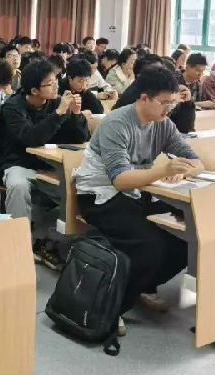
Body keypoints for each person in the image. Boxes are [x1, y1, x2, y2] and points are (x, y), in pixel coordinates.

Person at [74, 68, 203, 322]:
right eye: (164, 103)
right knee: (149, 245)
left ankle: (142, 285)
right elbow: (120, 180)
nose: (169, 110)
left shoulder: (163, 124)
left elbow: (197, 162)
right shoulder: (117, 123)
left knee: (186, 238)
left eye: (173, 103)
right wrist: (161, 171)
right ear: (144, 98)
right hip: (99, 195)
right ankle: (112, 307)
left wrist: (183, 172)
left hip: (137, 192)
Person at [0, 61, 90, 224]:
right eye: (50, 84)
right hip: (20, 163)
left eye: (56, 81)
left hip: (52, 165)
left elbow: (78, 139)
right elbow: (31, 138)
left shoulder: (58, 102)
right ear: (34, 90)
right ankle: (19, 235)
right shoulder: (12, 107)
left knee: (78, 188)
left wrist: (76, 114)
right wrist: (58, 113)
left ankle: (68, 233)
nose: (56, 86)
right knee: (18, 185)